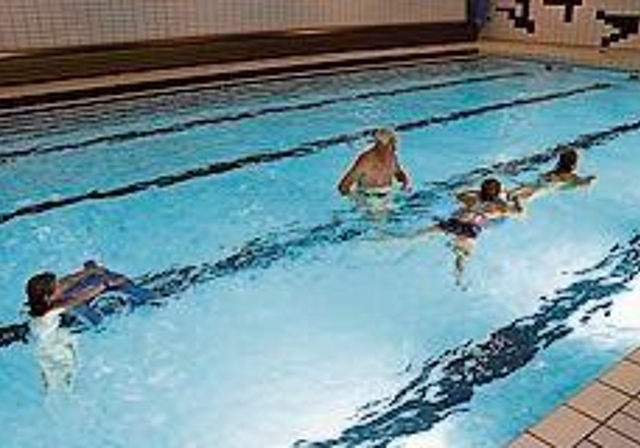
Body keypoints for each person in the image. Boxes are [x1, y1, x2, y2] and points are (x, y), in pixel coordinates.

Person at [25, 261, 146, 392]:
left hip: (45, 339)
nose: (60, 285)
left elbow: (66, 282)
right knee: (62, 384)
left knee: (54, 381)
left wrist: (88, 272)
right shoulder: (54, 309)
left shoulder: (39, 302)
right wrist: (107, 284)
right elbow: (81, 298)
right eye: (57, 285)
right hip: (54, 346)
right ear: (48, 297)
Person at [403, 178, 524, 286]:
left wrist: (474, 192)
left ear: (481, 190)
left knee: (421, 233)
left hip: (456, 222)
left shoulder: (471, 199)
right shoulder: (500, 206)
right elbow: (519, 211)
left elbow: (458, 195)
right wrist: (515, 198)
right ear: (498, 193)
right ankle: (459, 279)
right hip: (471, 229)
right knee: (461, 255)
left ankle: (394, 238)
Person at [337, 128, 411, 219]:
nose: (396, 147)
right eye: (393, 144)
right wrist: (359, 201)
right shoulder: (365, 161)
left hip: (387, 196)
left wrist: (405, 183)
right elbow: (343, 187)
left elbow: (399, 174)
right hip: (369, 199)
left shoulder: (392, 156)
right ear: (380, 145)